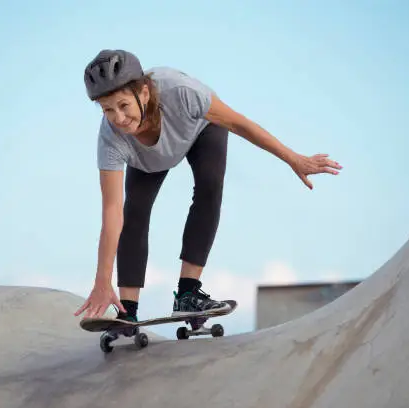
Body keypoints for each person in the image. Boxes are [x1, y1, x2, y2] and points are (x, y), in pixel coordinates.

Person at [74, 49, 342, 322]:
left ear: (143, 93)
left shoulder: (182, 92)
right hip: (148, 161)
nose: (118, 118)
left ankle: (189, 294)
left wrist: (293, 159)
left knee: (209, 188)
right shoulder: (111, 139)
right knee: (134, 213)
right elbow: (111, 212)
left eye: (123, 105)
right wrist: (101, 281)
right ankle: (126, 311)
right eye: (108, 110)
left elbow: (241, 124)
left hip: (200, 130)